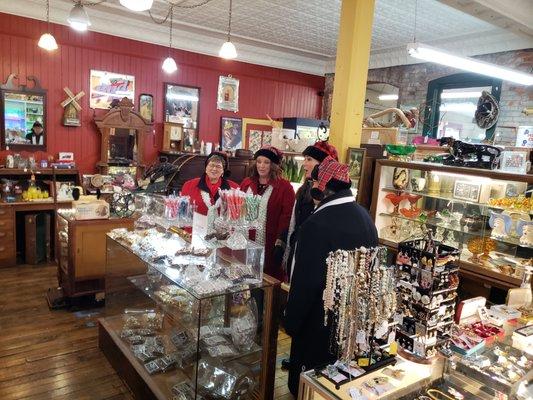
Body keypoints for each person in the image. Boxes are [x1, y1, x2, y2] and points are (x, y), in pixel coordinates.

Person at [284, 156, 378, 397]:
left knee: (311, 385)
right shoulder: (365, 217)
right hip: (353, 320)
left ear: (323, 187)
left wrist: (291, 321)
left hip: (318, 321)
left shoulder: (317, 224)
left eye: (315, 183)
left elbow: (305, 282)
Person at [284, 141, 338, 281]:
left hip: (312, 259)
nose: (304, 164)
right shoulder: (304, 189)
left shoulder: (328, 194)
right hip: (298, 252)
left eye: (309, 159)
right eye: (304, 159)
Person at [240, 146, 295, 281]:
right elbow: (239, 210)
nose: (262, 166)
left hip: (270, 246)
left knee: (267, 286)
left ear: (274, 165)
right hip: (244, 243)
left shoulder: (285, 187)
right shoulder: (247, 183)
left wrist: (280, 244)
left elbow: (287, 218)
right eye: (259, 161)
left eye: (266, 162)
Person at [180, 151, 238, 225]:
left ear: (223, 171)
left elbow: (236, 215)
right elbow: (182, 213)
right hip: (195, 230)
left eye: (218, 166)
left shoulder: (234, 189)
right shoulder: (189, 185)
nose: (214, 169)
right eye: (211, 165)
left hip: (222, 232)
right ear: (206, 168)